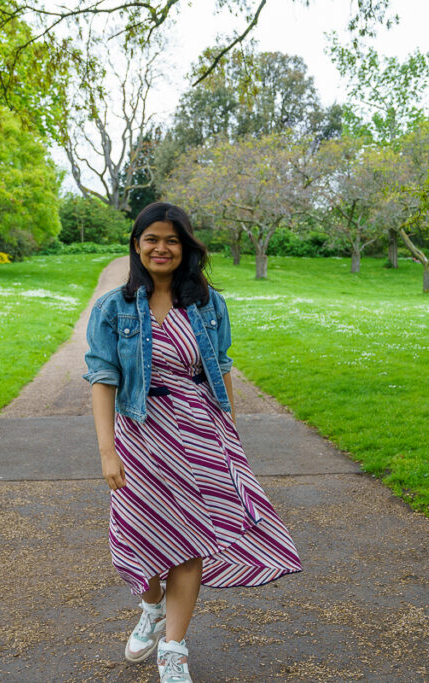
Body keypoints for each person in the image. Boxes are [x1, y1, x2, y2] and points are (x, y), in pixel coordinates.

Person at [83, 202, 301, 683]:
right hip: (141, 434)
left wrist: (232, 438)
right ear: (137, 245)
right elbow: (102, 377)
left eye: (172, 240)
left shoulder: (206, 303)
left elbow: (220, 370)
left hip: (200, 432)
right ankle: (151, 606)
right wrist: (106, 449)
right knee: (141, 534)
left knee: (191, 539)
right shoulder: (113, 307)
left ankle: (174, 648)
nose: (161, 248)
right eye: (152, 239)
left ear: (186, 247)